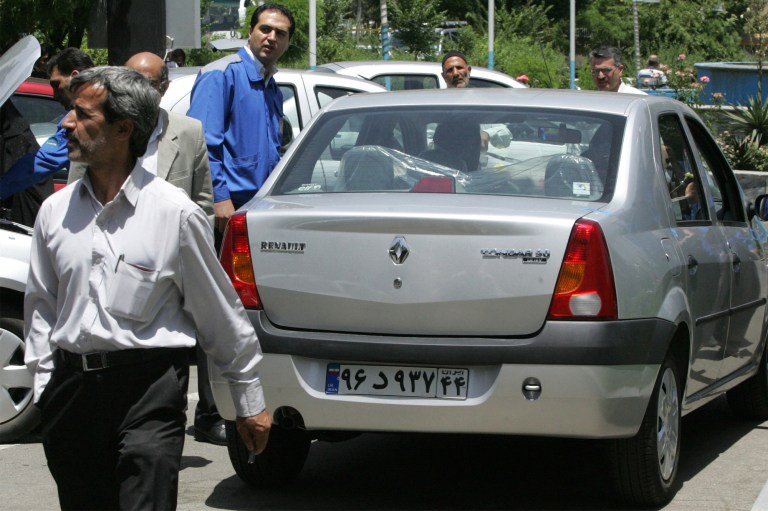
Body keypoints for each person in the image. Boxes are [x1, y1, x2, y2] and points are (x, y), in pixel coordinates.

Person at [24, 66, 271, 510]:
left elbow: (219, 313)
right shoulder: (54, 212)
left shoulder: (174, 214)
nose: (66, 123)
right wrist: (45, 384)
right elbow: (42, 305)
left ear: (123, 129)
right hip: (71, 393)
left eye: (81, 114)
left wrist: (249, 400)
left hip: (147, 391)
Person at [187, 3, 294, 238]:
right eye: (265, 29)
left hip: (257, 209)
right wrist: (220, 197)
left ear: (287, 42)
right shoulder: (221, 75)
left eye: (281, 33)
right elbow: (201, 145)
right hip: (226, 210)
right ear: (250, 32)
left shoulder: (272, 87)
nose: (271, 37)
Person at [0, 48, 94, 200]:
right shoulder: (71, 122)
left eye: (57, 85)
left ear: (75, 76)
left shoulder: (79, 122)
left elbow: (40, 163)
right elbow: (43, 159)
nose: (55, 95)